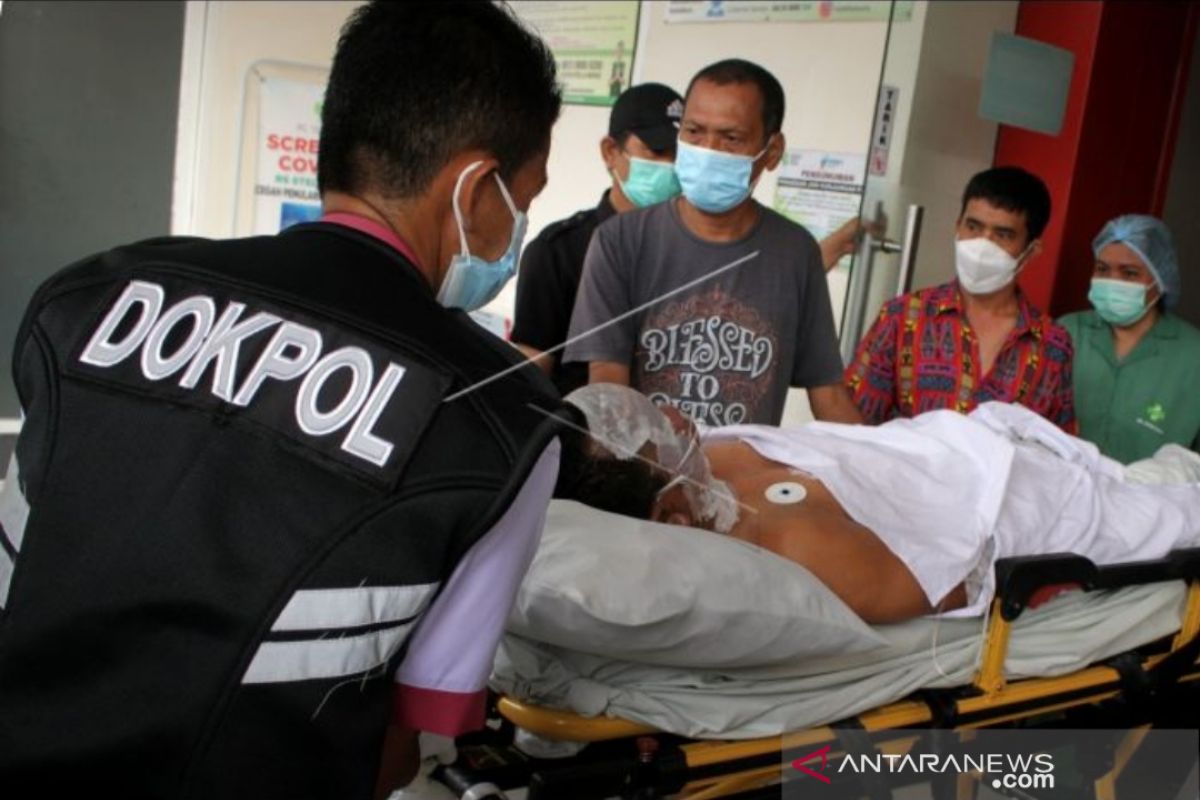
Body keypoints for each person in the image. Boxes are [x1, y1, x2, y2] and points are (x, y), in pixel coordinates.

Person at [0, 3, 566, 798]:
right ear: (475, 186)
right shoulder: (504, 423)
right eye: (522, 201)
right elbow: (402, 748)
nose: (516, 231)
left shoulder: (91, 296)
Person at [557, 385, 1200, 625]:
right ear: (672, 519)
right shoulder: (796, 552)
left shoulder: (697, 470)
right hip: (1022, 501)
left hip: (973, 444)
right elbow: (955, 574)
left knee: (1155, 473)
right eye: (663, 433)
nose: (676, 416)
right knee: (1173, 507)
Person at [563, 59, 862, 427]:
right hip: (647, 473)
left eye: (730, 138)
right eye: (694, 131)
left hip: (743, 477)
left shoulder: (796, 252)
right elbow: (608, 384)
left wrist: (877, 469)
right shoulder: (619, 241)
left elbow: (828, 394)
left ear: (771, 151)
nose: (708, 149)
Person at [845, 167, 1076, 431]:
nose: (982, 244)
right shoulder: (903, 316)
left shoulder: (1052, 344)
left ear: (1031, 250)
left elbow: (1056, 452)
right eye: (973, 226)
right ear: (957, 227)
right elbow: (853, 424)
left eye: (1002, 235)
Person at [512, 82, 685, 395]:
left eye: (682, 155)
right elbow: (530, 371)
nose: (671, 167)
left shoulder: (694, 248)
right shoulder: (558, 251)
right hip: (583, 435)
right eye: (657, 152)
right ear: (610, 152)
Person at [1059, 215, 1200, 463]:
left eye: (1130, 273)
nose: (1113, 281)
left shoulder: (1192, 356)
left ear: (1160, 278)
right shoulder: (1067, 332)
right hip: (1057, 491)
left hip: (1150, 500)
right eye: (1102, 269)